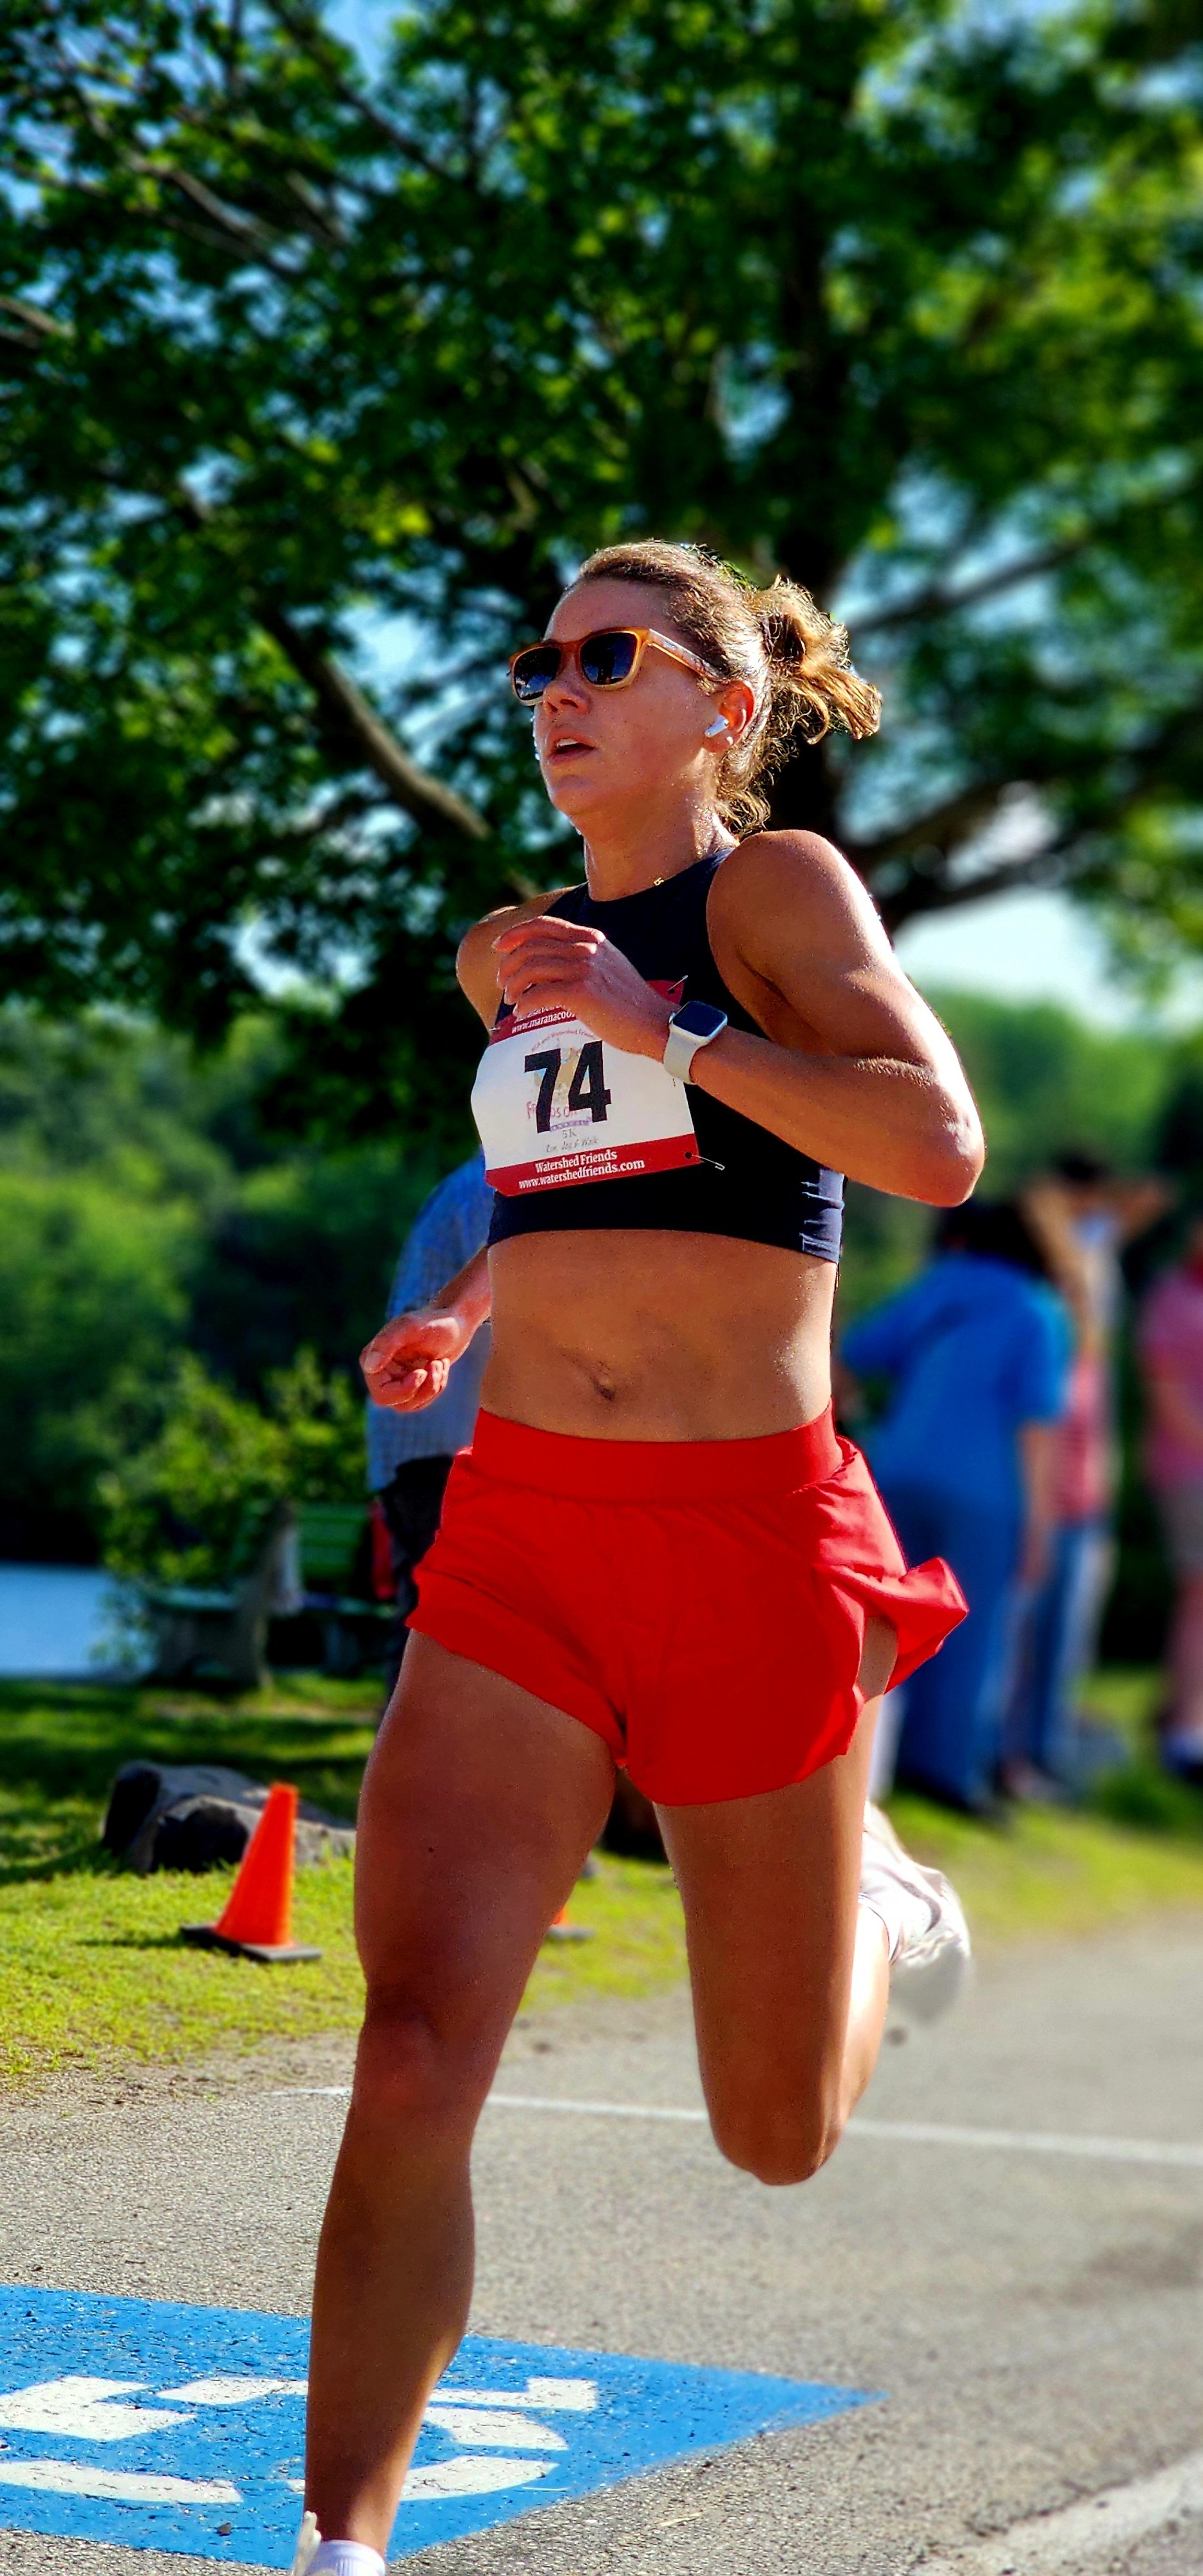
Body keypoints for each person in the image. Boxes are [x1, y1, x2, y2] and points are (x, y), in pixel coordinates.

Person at [296, 539, 985, 2576]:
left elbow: (927, 1141)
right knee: (414, 2044)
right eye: (539, 659)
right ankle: (340, 2548)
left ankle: (873, 1898)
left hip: (744, 1536)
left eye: (610, 654)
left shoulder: (772, 897)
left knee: (774, 2133)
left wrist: (664, 1013)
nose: (555, 685)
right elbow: (590, 1177)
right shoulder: (507, 950)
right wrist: (475, 1310)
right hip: (520, 1542)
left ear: (722, 704)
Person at [841, 1200, 1071, 1816]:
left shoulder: (938, 1285)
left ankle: (860, 1769)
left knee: (882, 1627)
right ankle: (942, 1773)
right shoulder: (1038, 1309)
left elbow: (850, 1351)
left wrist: (858, 1421)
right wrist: (1042, 1526)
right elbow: (1037, 1429)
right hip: (987, 1492)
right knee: (971, 1633)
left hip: (898, 1472)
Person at [1006, 1155, 1170, 1794]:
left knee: (1064, 1625)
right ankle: (1009, 1754)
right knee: (1025, 1616)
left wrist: (1092, 1203)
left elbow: (1148, 1194)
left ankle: (1036, 1753)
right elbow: (1045, 1200)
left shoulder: (1088, 1249)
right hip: (1048, 1453)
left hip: (1084, 1463)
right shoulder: (1050, 1261)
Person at [366, 1154, 493, 1693]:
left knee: (435, 1627)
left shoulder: (469, 1183)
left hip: (430, 1438)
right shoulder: (495, 1185)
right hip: (441, 1445)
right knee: (437, 1631)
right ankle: (415, 1774)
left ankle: (416, 1770)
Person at [1138, 1213, 1203, 1780]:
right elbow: (1166, 1392)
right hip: (1190, 1469)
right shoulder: (1174, 1298)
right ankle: (1184, 1731)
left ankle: (1180, 1719)